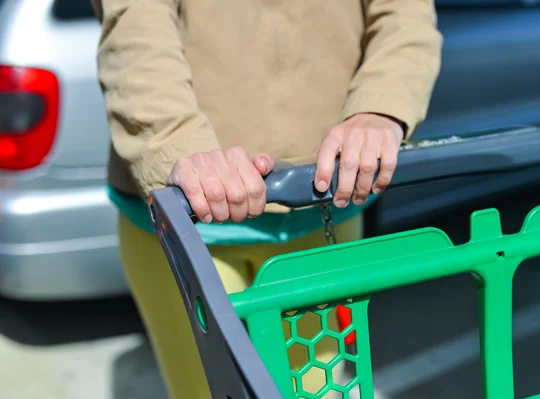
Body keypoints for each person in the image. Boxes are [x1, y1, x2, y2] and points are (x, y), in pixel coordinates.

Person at [92, 0, 442, 397]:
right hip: (193, 213)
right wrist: (175, 141)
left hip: (322, 200)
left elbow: (404, 13)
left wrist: (380, 108)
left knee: (319, 389)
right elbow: (137, 25)